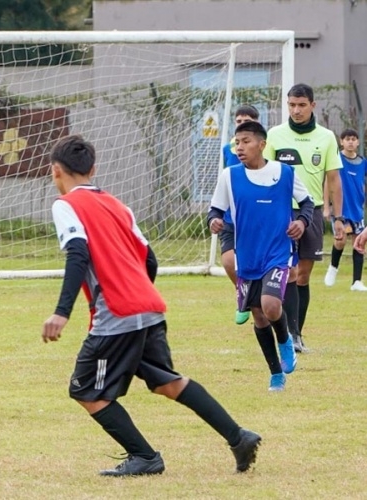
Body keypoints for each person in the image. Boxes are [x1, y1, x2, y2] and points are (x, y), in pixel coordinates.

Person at [41, 134, 261, 477]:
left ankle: (144, 457)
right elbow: (150, 259)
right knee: (166, 382)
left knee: (85, 391)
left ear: (55, 171)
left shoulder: (64, 204)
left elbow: (78, 253)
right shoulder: (118, 205)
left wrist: (62, 311)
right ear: (93, 168)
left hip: (118, 313)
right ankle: (239, 436)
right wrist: (138, 293)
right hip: (148, 305)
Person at [209, 121, 313, 391]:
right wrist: (214, 222)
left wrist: (301, 222)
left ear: (262, 144)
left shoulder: (285, 172)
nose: (239, 147)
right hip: (248, 255)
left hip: (278, 251)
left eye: (245, 141)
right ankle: (276, 373)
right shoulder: (229, 176)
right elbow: (215, 211)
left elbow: (307, 203)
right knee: (258, 315)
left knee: (270, 305)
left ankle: (285, 339)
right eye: (237, 142)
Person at [264, 83, 345, 353]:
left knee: (303, 276)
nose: (296, 110)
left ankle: (296, 333)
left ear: (313, 105)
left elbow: (334, 179)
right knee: (289, 272)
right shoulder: (274, 135)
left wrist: (338, 217)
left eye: (301, 105)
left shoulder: (327, 137)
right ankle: (287, 334)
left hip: (310, 212)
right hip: (280, 212)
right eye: (291, 105)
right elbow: (262, 172)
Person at [219, 105, 261, 325]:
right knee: (228, 262)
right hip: (229, 217)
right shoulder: (228, 149)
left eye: (247, 120)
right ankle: (243, 292)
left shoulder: (263, 150)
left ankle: (256, 297)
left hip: (253, 216)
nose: (242, 123)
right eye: (238, 121)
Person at [323, 129, 367, 291]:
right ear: (341, 141)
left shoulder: (363, 162)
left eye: (353, 139)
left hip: (357, 208)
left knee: (359, 242)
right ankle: (333, 268)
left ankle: (356, 282)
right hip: (341, 209)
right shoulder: (337, 159)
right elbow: (329, 182)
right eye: (347, 139)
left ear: (358, 143)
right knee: (340, 240)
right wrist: (327, 207)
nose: (350, 142)